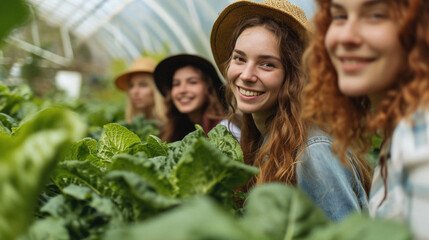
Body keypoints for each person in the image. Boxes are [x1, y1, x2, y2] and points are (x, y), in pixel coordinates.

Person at [210, 0, 372, 221]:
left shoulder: (313, 151)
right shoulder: (262, 139)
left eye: (267, 64)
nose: (246, 75)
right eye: (240, 58)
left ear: (295, 77)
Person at [302, 0, 429, 237]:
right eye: (339, 16)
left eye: (376, 15)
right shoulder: (401, 131)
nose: (346, 37)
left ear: (420, 28)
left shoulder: (420, 143)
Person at [153, 53, 240, 142]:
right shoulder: (176, 131)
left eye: (192, 82)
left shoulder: (226, 129)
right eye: (176, 84)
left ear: (209, 89)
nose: (182, 90)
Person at [114, 57, 167, 126]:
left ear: (157, 88)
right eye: (131, 86)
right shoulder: (131, 125)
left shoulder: (172, 123)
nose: (135, 91)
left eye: (143, 85)